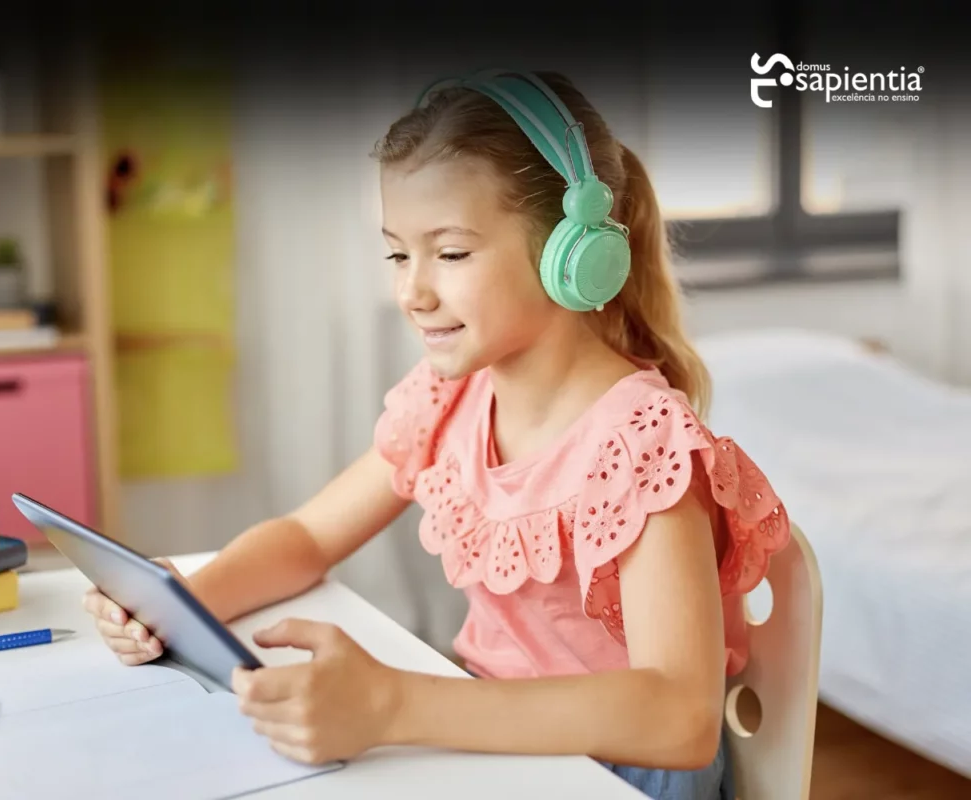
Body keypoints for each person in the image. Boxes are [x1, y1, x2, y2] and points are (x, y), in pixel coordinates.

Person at [82, 69, 790, 799]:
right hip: (494, 742)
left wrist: (393, 704)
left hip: (617, 772)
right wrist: (187, 599)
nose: (412, 292)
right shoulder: (450, 398)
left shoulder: (641, 445)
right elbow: (309, 537)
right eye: (398, 252)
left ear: (571, 255)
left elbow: (680, 717)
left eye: (450, 253)